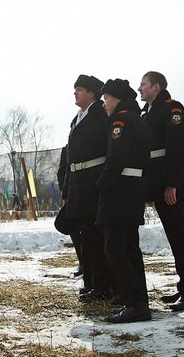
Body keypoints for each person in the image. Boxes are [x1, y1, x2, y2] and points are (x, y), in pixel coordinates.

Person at [138, 71, 184, 311]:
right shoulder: (148, 112)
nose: (139, 88)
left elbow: (176, 149)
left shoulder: (172, 107)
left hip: (169, 183)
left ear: (157, 86)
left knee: (178, 236)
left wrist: (172, 184)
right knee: (174, 236)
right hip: (157, 181)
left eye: (143, 84)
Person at [98, 79, 152, 323]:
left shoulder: (120, 121)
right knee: (130, 248)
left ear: (117, 98)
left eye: (106, 99)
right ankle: (139, 300)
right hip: (133, 188)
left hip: (119, 190)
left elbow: (116, 159)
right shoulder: (136, 118)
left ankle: (135, 302)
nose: (104, 104)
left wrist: (101, 184)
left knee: (116, 248)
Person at [64, 74, 113, 301]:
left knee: (96, 236)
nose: (75, 93)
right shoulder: (77, 119)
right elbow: (69, 161)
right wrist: (66, 191)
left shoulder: (100, 115)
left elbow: (108, 150)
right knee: (85, 237)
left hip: (94, 182)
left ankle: (104, 285)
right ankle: (91, 281)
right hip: (78, 184)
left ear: (92, 93)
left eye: (79, 89)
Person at [56, 145, 83, 278]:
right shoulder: (67, 149)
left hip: (89, 194)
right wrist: (65, 193)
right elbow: (61, 172)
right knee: (74, 232)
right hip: (72, 196)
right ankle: (83, 263)